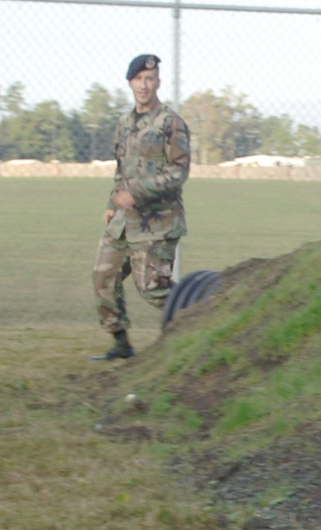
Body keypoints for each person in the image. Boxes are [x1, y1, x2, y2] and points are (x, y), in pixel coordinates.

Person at [91, 53, 191, 360]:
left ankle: (202, 321)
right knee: (102, 278)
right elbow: (121, 168)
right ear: (130, 83)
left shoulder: (170, 123)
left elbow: (178, 172)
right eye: (138, 79)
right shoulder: (124, 123)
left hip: (157, 221)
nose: (144, 85)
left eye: (150, 79)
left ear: (158, 82)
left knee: (152, 288)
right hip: (124, 221)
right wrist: (112, 202)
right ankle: (121, 345)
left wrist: (136, 192)